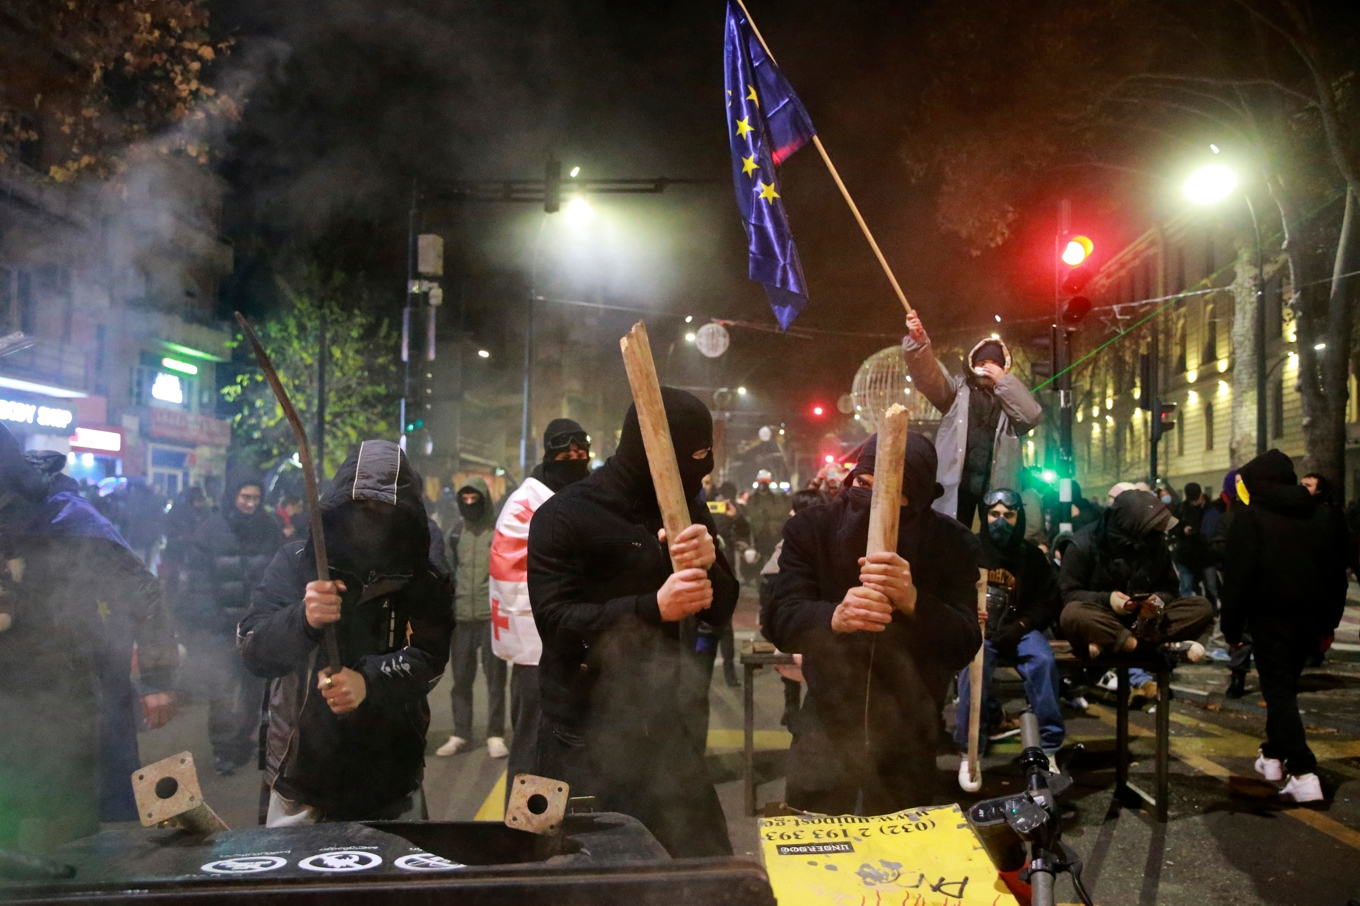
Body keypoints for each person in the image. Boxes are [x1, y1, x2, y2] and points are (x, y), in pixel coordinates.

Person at [528, 387, 737, 857]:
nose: (704, 469)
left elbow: (719, 608)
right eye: (696, 456)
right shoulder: (564, 514)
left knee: (706, 869)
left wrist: (712, 564)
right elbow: (555, 621)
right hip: (580, 737)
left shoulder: (686, 506)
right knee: (589, 881)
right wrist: (651, 608)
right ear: (655, 451)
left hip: (669, 727)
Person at [764, 432, 981, 815]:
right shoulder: (812, 528)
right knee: (816, 852)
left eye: (894, 495)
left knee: (896, 863)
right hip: (824, 728)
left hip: (908, 735)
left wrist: (914, 601)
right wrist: (834, 616)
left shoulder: (949, 542)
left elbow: (964, 642)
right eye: (863, 485)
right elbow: (779, 618)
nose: (871, 502)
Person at [239, 440, 454, 824]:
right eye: (359, 507)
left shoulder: (424, 574)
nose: (369, 520)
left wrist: (369, 681)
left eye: (384, 510)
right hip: (300, 780)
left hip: (393, 779)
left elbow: (431, 658)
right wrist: (303, 618)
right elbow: (253, 650)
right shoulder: (297, 562)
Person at [0, 435, 178, 851]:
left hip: (63, 700)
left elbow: (143, 592)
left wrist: (157, 679)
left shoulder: (69, 519)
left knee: (64, 837)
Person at [1221, 451, 1349, 803]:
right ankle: (1273, 757)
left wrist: (1231, 629)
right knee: (1284, 690)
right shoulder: (1323, 517)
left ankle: (1304, 771)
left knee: (1278, 693)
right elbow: (1336, 576)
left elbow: (1237, 581)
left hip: (1271, 618)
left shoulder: (1251, 519)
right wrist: (1328, 624)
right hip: (1310, 618)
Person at [488, 419, 592, 787]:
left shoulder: (573, 495)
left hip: (569, 648)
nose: (575, 461)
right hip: (537, 655)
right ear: (549, 456)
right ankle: (520, 836)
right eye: (566, 455)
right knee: (533, 749)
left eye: (581, 454)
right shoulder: (527, 504)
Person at [1058, 490, 1215, 701]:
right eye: (1152, 528)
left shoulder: (1155, 544)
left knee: (1201, 607)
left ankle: (1131, 645)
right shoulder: (1083, 544)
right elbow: (1069, 595)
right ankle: (1149, 650)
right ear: (1133, 525)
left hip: (1143, 623)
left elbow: (1170, 588)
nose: (1157, 534)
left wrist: (1155, 600)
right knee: (1073, 614)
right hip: (1104, 619)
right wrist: (1110, 600)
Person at [953, 488, 1064, 783]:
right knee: (972, 670)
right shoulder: (968, 551)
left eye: (1009, 515)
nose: (1001, 521)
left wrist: (1022, 626)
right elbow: (951, 589)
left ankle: (1049, 748)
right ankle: (970, 750)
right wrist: (967, 611)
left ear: (1019, 517)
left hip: (1020, 629)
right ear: (985, 516)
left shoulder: (1030, 557)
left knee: (1043, 662)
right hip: (981, 630)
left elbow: (1049, 599)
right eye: (994, 514)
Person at [183, 475, 283, 775]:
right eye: (245, 497)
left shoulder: (269, 529)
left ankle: (241, 740)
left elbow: (279, 572)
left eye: (255, 498)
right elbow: (198, 583)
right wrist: (211, 620)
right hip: (220, 627)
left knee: (254, 691)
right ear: (232, 495)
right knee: (221, 690)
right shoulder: (209, 531)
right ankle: (224, 750)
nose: (250, 504)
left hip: (257, 626)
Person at [902, 312, 1043, 526]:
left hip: (997, 492)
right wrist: (918, 341)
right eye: (983, 362)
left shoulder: (1009, 401)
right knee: (952, 543)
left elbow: (1031, 416)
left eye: (995, 363)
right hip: (957, 489)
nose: (988, 367)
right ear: (971, 363)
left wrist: (1003, 382)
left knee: (994, 547)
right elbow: (928, 378)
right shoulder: (954, 393)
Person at [435, 477, 507, 758]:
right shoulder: (454, 534)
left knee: (495, 679)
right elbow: (449, 574)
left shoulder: (499, 532)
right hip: (462, 617)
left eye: (474, 498)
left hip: (491, 617)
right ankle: (461, 733)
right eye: (464, 499)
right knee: (461, 680)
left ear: (485, 499)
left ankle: (495, 734)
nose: (469, 503)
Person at [758, 488, 829, 729]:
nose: (789, 512)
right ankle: (792, 706)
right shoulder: (795, 543)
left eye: (795, 508)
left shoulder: (812, 544)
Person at [1173, 483, 1218, 608]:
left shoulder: (1211, 508)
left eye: (1195, 499)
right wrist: (1183, 529)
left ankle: (1212, 609)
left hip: (1206, 554)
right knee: (1186, 588)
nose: (1193, 502)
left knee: (1211, 586)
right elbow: (1173, 526)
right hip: (1187, 555)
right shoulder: (1181, 509)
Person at [745, 470, 788, 567]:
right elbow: (751, 513)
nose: (763, 484)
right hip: (757, 534)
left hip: (773, 534)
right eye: (761, 481)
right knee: (757, 562)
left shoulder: (776, 498)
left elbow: (780, 512)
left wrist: (765, 513)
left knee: (773, 560)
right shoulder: (753, 498)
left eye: (765, 481)